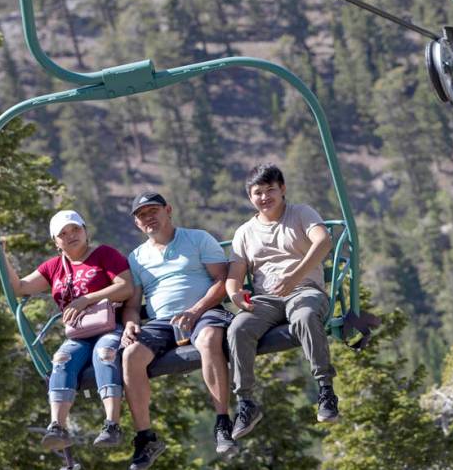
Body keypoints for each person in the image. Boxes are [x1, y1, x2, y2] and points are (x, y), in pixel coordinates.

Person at [0, 210, 132, 451]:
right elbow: (20, 288)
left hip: (108, 325)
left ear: (85, 230)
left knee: (105, 353)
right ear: (55, 242)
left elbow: (125, 286)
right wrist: (1, 256)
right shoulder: (54, 267)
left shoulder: (104, 255)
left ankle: (112, 424)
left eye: (75, 229)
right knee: (61, 359)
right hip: (78, 333)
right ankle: (57, 425)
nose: (71, 235)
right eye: (63, 233)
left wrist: (86, 299)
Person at [120, 191, 234, 470]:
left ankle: (222, 422)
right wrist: (131, 322)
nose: (148, 218)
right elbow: (133, 305)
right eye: (141, 215)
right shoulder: (136, 257)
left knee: (208, 340)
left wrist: (196, 310)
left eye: (153, 211)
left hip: (204, 311)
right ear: (137, 224)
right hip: (162, 323)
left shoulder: (197, 238)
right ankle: (146, 437)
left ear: (168, 210)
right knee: (130, 355)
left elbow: (223, 280)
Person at [225, 163, 339, 440]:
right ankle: (246, 403)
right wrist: (234, 294)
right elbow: (235, 275)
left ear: (282, 189)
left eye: (270, 190)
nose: (265, 197)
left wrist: (294, 275)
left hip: (304, 289)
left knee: (303, 317)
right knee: (238, 328)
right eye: (258, 193)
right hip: (267, 299)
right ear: (250, 197)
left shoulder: (300, 213)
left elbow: (323, 242)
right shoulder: (245, 232)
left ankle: (325, 389)